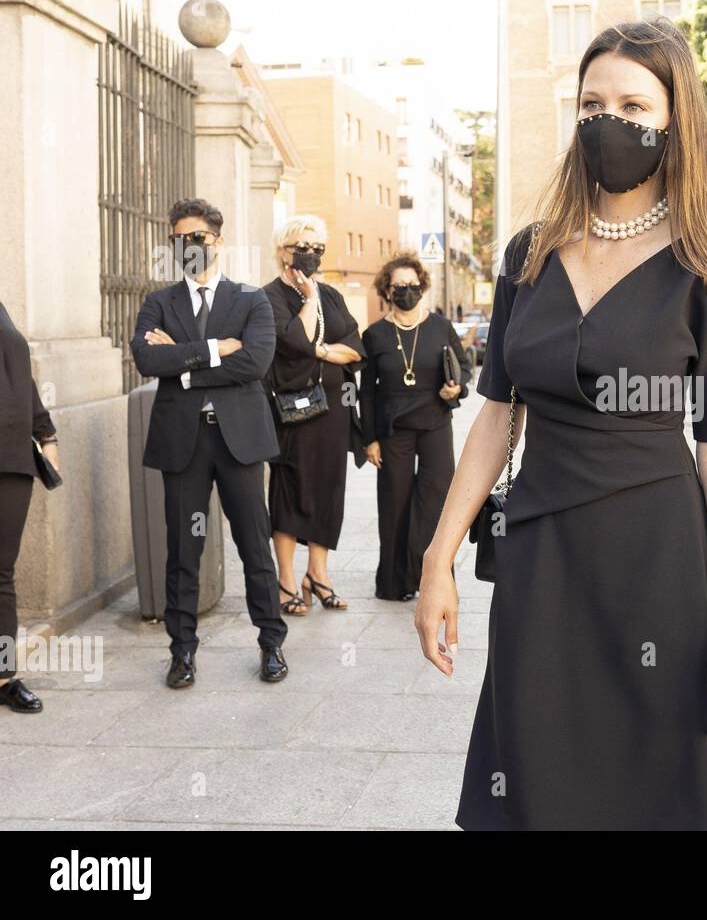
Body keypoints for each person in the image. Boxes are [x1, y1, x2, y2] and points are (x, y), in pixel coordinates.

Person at [415, 18, 707, 830]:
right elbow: (497, 414)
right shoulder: (528, 255)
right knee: (533, 786)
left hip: (660, 568)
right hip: (543, 561)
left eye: (635, 104)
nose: (611, 120)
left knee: (654, 788)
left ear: (675, 119)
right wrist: (438, 559)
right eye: (592, 102)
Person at [130, 198, 288, 687]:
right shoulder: (159, 302)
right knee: (183, 550)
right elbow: (148, 362)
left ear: (217, 241)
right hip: (184, 443)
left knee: (254, 548)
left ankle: (271, 645)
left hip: (239, 442)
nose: (189, 245)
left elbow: (256, 364)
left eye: (198, 236)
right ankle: (182, 652)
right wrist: (216, 350)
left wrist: (183, 365)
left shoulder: (250, 300)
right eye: (180, 238)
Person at [262, 216, 364, 615]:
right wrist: (307, 301)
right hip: (292, 410)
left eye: (317, 248)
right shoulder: (268, 297)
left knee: (327, 488)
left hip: (333, 409)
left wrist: (320, 351)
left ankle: (318, 574)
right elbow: (291, 340)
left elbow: (354, 346)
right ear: (283, 251)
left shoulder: (332, 295)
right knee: (290, 489)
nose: (310, 255)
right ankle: (286, 579)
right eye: (302, 247)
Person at [359, 254, 471, 601]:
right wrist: (370, 439)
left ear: (421, 286)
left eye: (412, 285)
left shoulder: (441, 327)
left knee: (436, 503)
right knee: (395, 504)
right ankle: (394, 582)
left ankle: (435, 579)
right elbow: (366, 392)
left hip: (436, 422)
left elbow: (463, 369)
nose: (406, 291)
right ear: (387, 291)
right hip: (394, 429)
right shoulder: (375, 335)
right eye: (398, 287)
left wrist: (457, 388)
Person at [0, 301, 60, 712]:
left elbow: (20, 373)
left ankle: (4, 675)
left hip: (10, 456)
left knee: (2, 572)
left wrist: (46, 433)